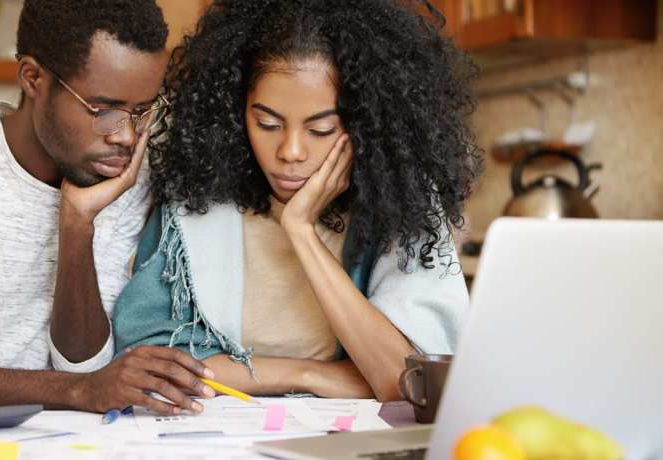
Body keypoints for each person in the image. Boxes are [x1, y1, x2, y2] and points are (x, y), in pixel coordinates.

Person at [106, 0, 480, 402]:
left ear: (366, 122)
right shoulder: (196, 199)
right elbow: (144, 360)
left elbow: (407, 382)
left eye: (321, 129)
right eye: (266, 123)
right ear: (235, 112)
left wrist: (301, 231)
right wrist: (308, 375)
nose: (290, 151)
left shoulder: (403, 209)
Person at [0, 0, 215, 415]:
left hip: (54, 441)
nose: (127, 137)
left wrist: (78, 224)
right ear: (33, 78)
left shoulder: (127, 180)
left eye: (142, 112)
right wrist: (76, 391)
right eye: (105, 111)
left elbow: (87, 367)